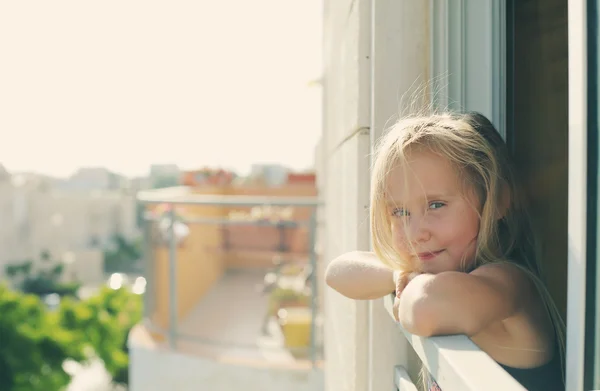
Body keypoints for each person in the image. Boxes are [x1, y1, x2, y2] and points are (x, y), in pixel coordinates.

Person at [325, 112, 565, 391]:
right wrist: (399, 274)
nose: (416, 233)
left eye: (436, 205)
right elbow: (337, 272)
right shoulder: (446, 275)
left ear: (497, 202)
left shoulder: (509, 283)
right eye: (400, 212)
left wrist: (412, 281)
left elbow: (424, 307)